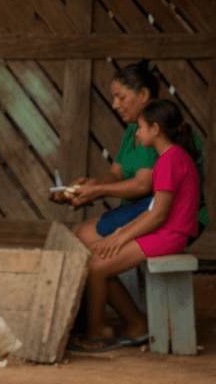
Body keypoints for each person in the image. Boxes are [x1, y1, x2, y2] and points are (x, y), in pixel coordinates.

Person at [69, 100, 201, 352]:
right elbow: (154, 212)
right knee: (98, 258)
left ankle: (99, 332)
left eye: (140, 127)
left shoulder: (168, 161)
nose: (136, 133)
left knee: (97, 265)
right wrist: (120, 233)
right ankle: (135, 324)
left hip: (172, 235)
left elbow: (158, 215)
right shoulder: (171, 157)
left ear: (155, 129)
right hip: (166, 231)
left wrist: (119, 239)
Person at [51, 60, 207, 248]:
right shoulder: (134, 131)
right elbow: (116, 174)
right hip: (146, 209)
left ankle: (109, 276)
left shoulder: (158, 134)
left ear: (143, 95)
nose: (115, 105)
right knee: (79, 232)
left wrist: (97, 191)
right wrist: (86, 187)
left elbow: (143, 185)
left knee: (84, 236)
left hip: (171, 215)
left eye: (121, 98)